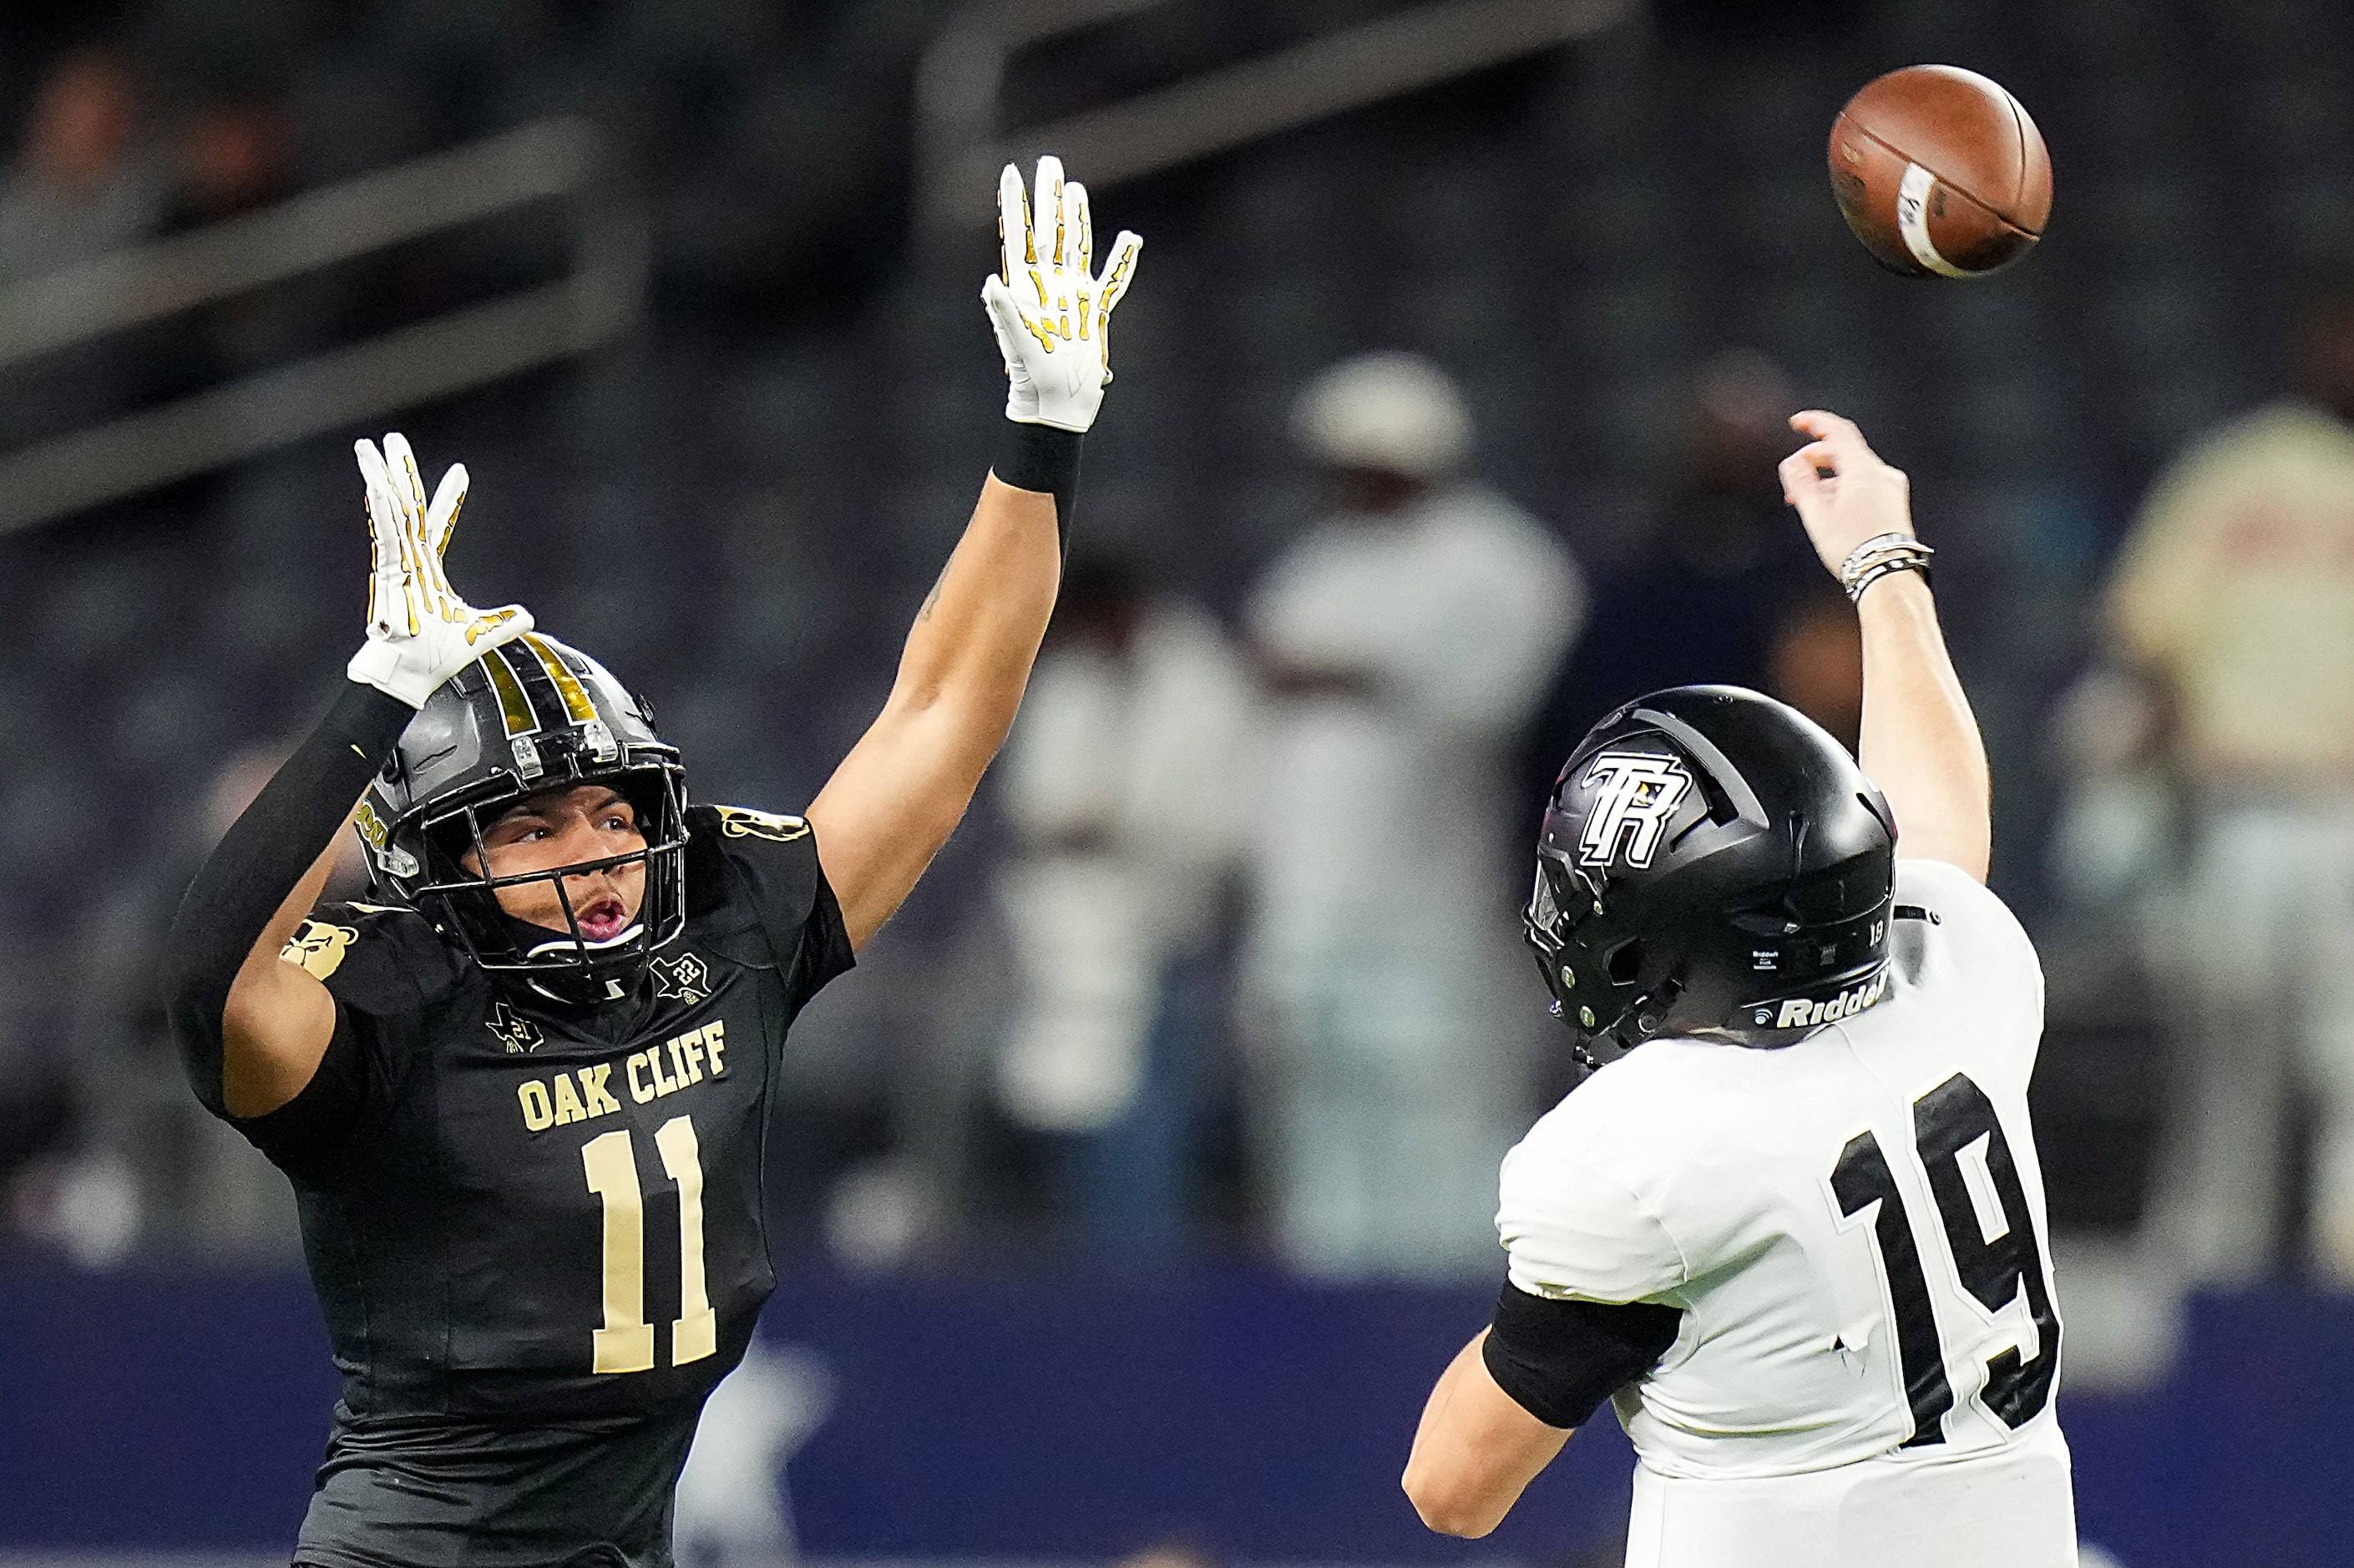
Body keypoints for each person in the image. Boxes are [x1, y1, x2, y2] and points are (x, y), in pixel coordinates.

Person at [159, 156, 1141, 1568]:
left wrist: (1041, 431)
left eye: (614, 810)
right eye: (533, 822)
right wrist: (370, 701)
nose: (595, 850)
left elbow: (942, 714)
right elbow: (210, 982)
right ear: (436, 854)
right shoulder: (382, 1002)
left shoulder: (722, 927)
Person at [1403, 412, 2074, 1565]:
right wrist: (1882, 564)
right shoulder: (1954, 979)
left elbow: (1450, 1485)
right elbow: (1940, 830)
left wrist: (1602, 1314)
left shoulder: (1642, 1144)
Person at [1243, 351, 1583, 1277]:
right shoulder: (1315, 563)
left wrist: (1359, 676)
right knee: (1316, 1109)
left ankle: (1451, 1299)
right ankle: (1326, 1290)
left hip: (1439, 894)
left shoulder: (1500, 562)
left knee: (1441, 1104)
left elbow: (1498, 704)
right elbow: (1271, 674)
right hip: (1313, 899)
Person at [2104, 277, 2354, 1284]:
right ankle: (2210, 1278)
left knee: (2348, 1064)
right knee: (2228, 1069)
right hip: (2241, 806)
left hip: (2348, 809)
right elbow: (2145, 628)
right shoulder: (2237, 471)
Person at [992, 555, 1254, 1263]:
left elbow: (1224, 823)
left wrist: (1119, 825)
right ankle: (1083, 1265)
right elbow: (1032, 807)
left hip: (1162, 932)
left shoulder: (1203, 681)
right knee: (1066, 1100)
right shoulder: (1069, 678)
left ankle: (1141, 1264)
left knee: (1147, 1112)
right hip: (1068, 938)